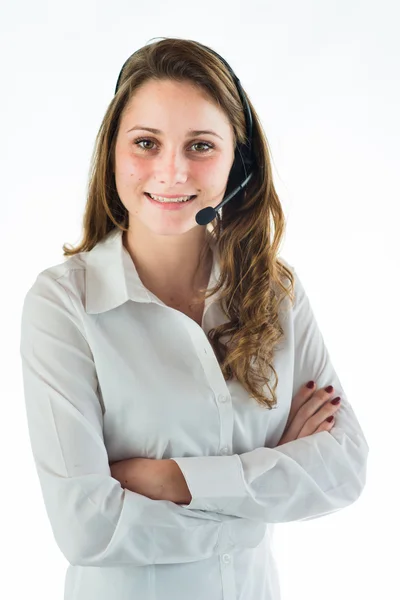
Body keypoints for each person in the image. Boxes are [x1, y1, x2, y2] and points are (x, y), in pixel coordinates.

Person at [19, 37, 369, 600]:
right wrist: (267, 491)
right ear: (114, 153)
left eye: (201, 145)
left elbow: (343, 469)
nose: (172, 171)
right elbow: (88, 527)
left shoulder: (276, 291)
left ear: (240, 163)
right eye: (146, 143)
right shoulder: (64, 305)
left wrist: (170, 481)